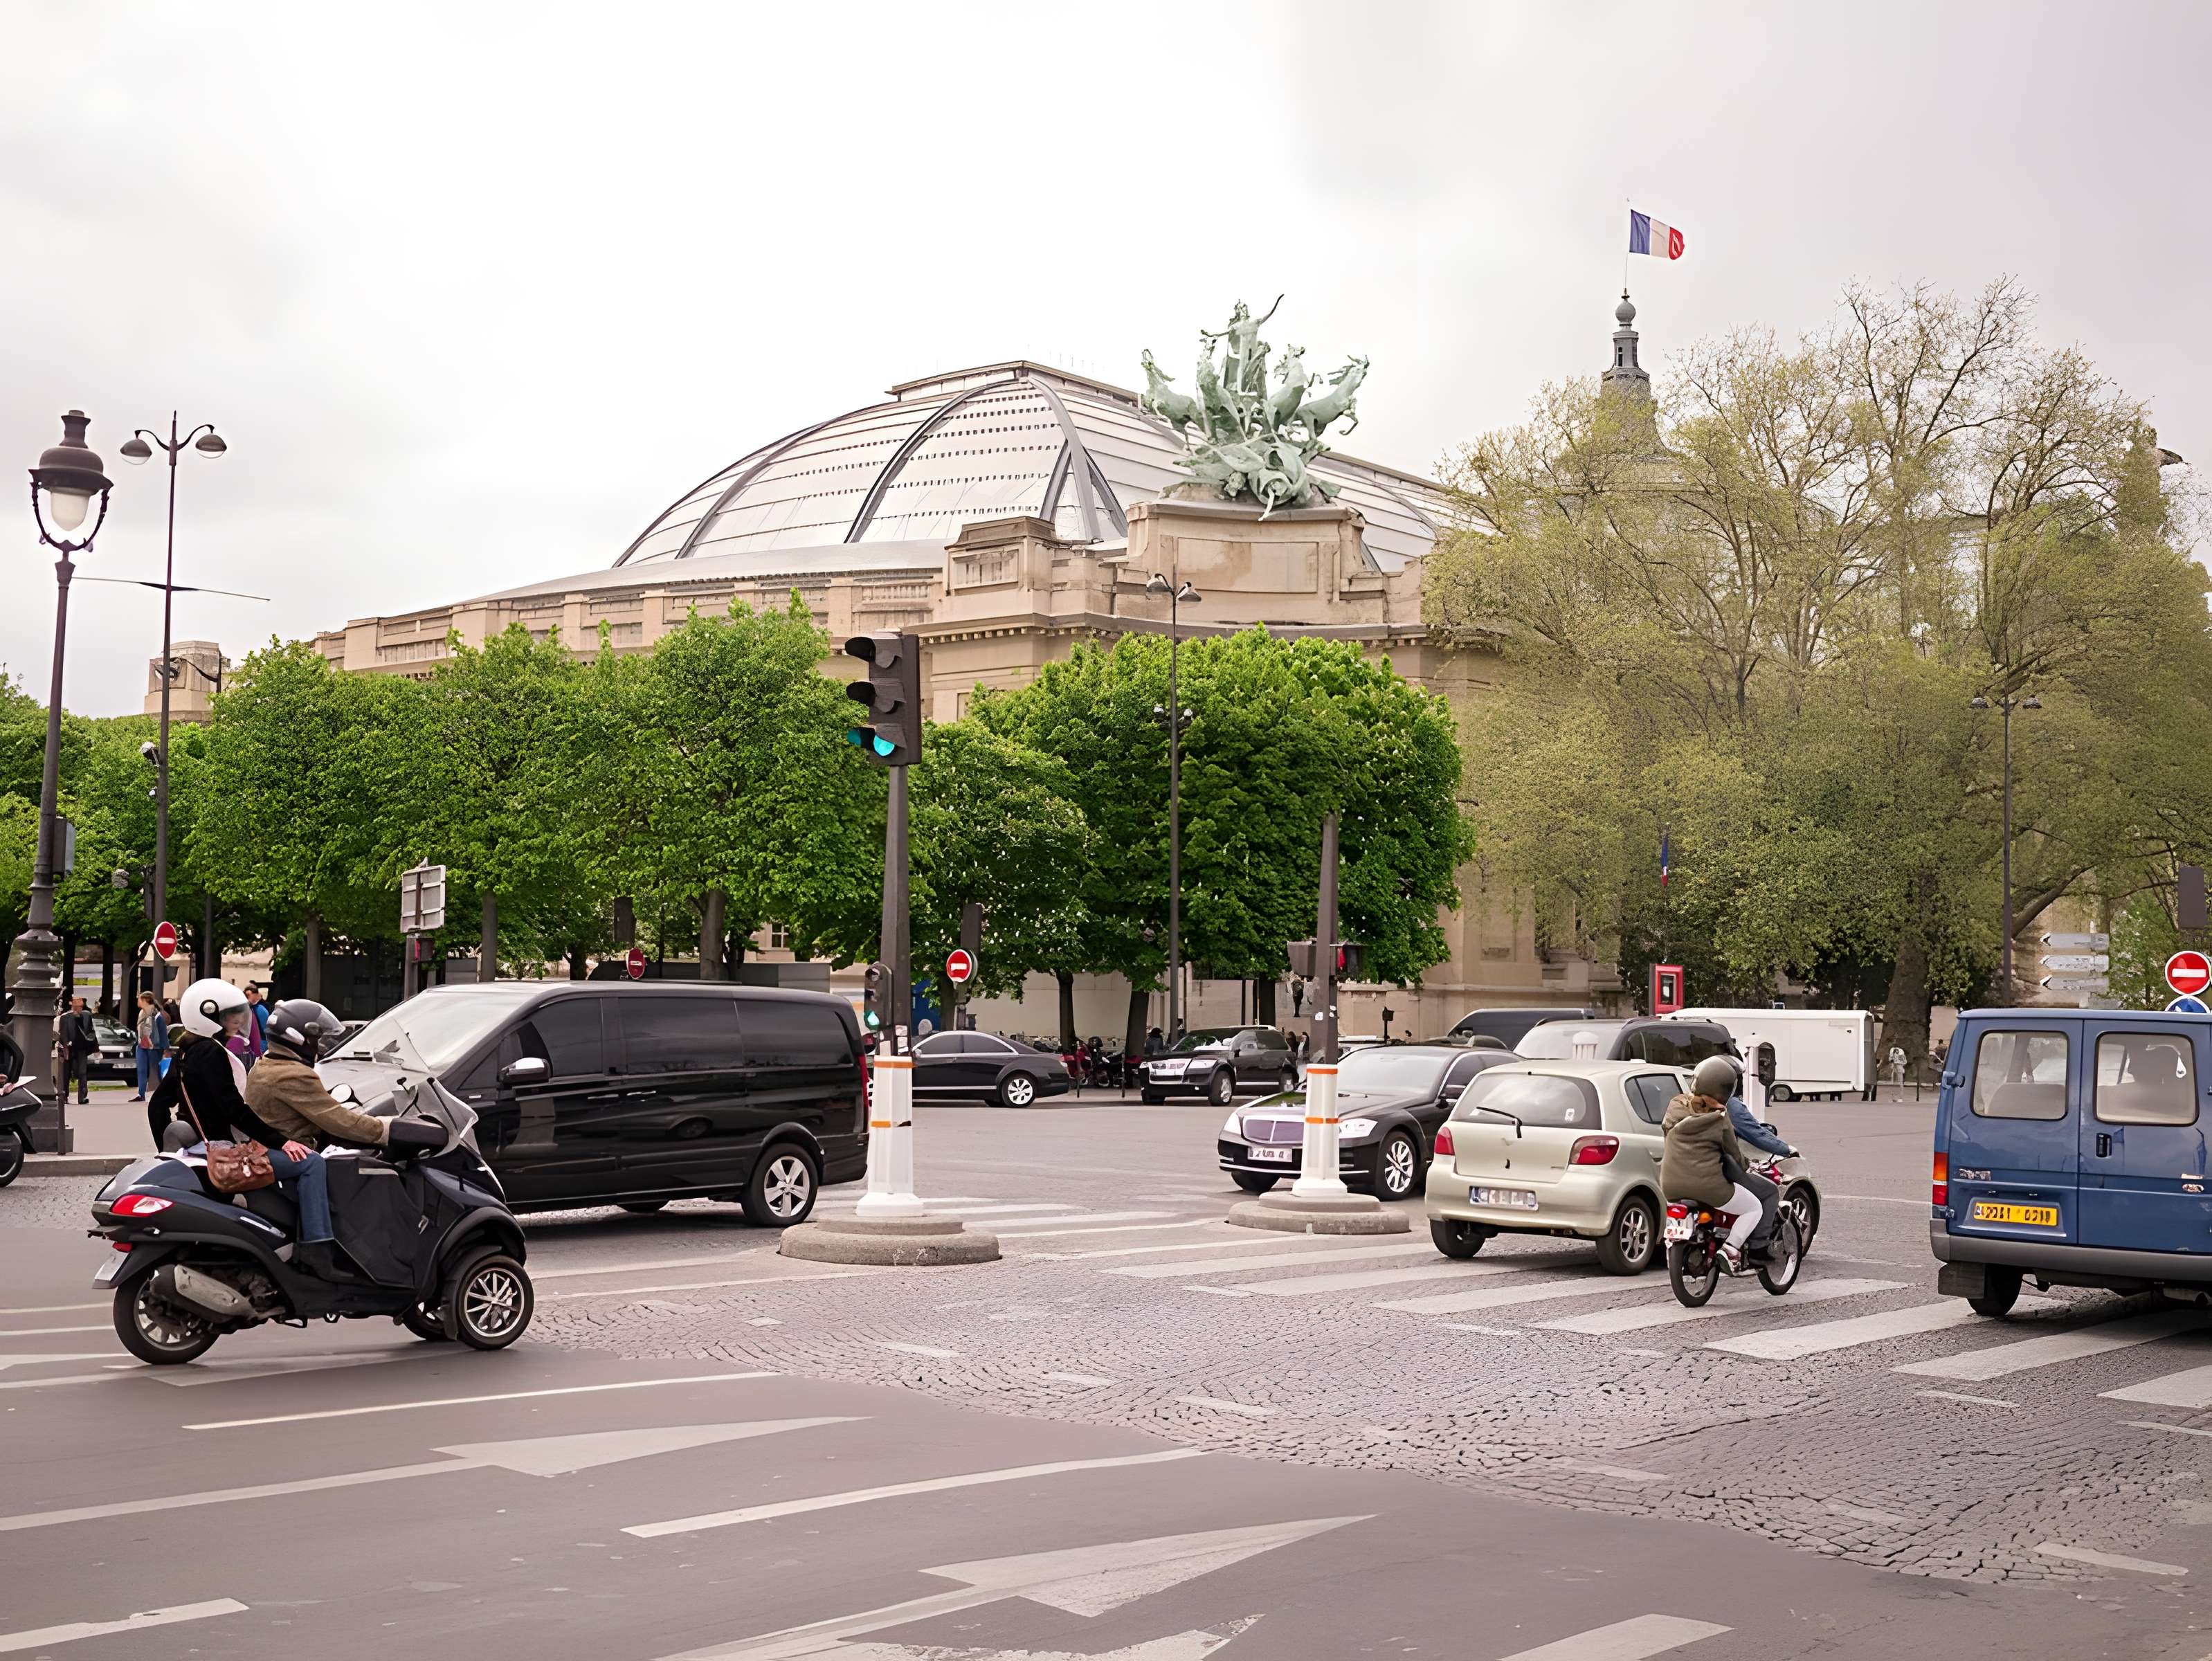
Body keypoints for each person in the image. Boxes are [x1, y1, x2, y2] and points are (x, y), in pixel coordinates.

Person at [147, 978, 347, 1280]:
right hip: (222, 1150)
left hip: (197, 1150)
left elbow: (157, 1105)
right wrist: (282, 1142)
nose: (239, 1019)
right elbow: (234, 1109)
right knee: (311, 1163)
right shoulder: (212, 1053)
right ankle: (317, 1250)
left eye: (238, 1012)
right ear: (209, 1016)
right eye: (230, 1015)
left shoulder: (185, 1052)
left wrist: (166, 1150)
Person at [245, 999, 390, 1156]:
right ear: (298, 1038)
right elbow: (339, 1120)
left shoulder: (265, 1063)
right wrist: (388, 1128)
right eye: (317, 1038)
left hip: (265, 1147)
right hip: (292, 1153)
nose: (320, 1044)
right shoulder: (293, 1075)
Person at [1660, 1062, 1764, 1272]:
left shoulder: (1675, 1105)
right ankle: (1732, 1249)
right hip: (1709, 1187)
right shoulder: (1720, 1120)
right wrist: (1748, 1165)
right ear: (1725, 1090)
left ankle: (1673, 1242)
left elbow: (1666, 1129)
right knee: (1754, 1207)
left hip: (1670, 1185)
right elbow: (1734, 1154)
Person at [1699, 1055, 1786, 1259]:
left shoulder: (1683, 1104)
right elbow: (1751, 1136)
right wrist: (1782, 1149)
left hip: (1677, 1175)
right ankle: (1754, 1247)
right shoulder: (1727, 1108)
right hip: (1714, 1174)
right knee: (1766, 1195)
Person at [60, 996, 98, 1105]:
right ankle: (65, 1096)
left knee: (82, 1073)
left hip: (82, 1049)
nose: (78, 1009)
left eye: (80, 1007)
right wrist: (65, 1047)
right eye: (76, 1007)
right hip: (69, 1049)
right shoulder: (65, 1018)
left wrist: (91, 1041)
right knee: (66, 1073)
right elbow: (63, 1034)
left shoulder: (86, 1016)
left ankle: (82, 1097)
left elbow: (91, 1030)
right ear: (72, 1007)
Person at [133, 991, 167, 1100]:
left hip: (154, 1047)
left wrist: (165, 1049)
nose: (138, 1002)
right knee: (142, 1070)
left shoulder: (157, 1016)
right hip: (142, 1046)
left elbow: (163, 1033)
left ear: (145, 1001)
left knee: (156, 1070)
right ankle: (141, 1094)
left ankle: (164, 1092)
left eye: (139, 1000)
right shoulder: (141, 1014)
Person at [243, 984, 269, 1061]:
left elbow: (265, 1030)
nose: (247, 998)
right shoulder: (249, 1008)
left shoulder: (260, 1009)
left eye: (249, 995)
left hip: (260, 1045)